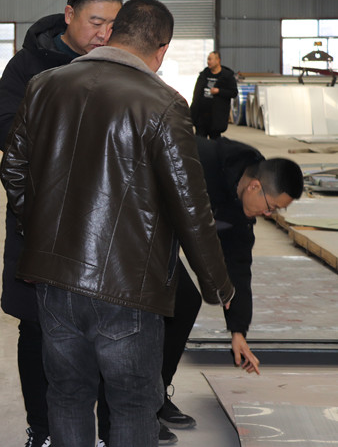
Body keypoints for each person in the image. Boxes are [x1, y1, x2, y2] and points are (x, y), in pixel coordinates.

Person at [0, 0, 236, 447]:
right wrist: (217, 285)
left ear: (112, 33)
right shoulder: (164, 104)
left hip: (54, 281)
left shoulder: (44, 85)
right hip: (128, 286)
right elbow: (191, 207)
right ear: (162, 48)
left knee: (67, 395)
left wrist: (43, 229)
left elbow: (13, 169)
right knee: (131, 405)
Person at [0, 0, 125, 447]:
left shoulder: (119, 65)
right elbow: (3, 127)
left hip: (103, 226)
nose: (104, 33)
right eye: (95, 22)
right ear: (69, 15)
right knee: (37, 330)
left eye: (113, 24)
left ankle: (105, 432)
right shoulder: (28, 65)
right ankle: (43, 429)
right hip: (41, 222)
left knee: (107, 333)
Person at [97, 139, 305, 445]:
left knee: (185, 302)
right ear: (255, 187)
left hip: (163, 237)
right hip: (129, 221)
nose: (269, 214)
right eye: (271, 207)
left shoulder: (241, 208)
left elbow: (238, 265)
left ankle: (157, 396)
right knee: (149, 310)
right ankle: (130, 413)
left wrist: (237, 330)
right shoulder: (201, 162)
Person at [190, 51, 238, 138]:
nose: (208, 62)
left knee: (215, 142)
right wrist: (192, 113)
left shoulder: (227, 76)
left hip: (216, 118)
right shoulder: (203, 75)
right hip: (201, 118)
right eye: (207, 60)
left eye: (210, 59)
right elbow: (196, 95)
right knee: (200, 142)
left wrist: (219, 91)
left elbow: (233, 92)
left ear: (218, 60)